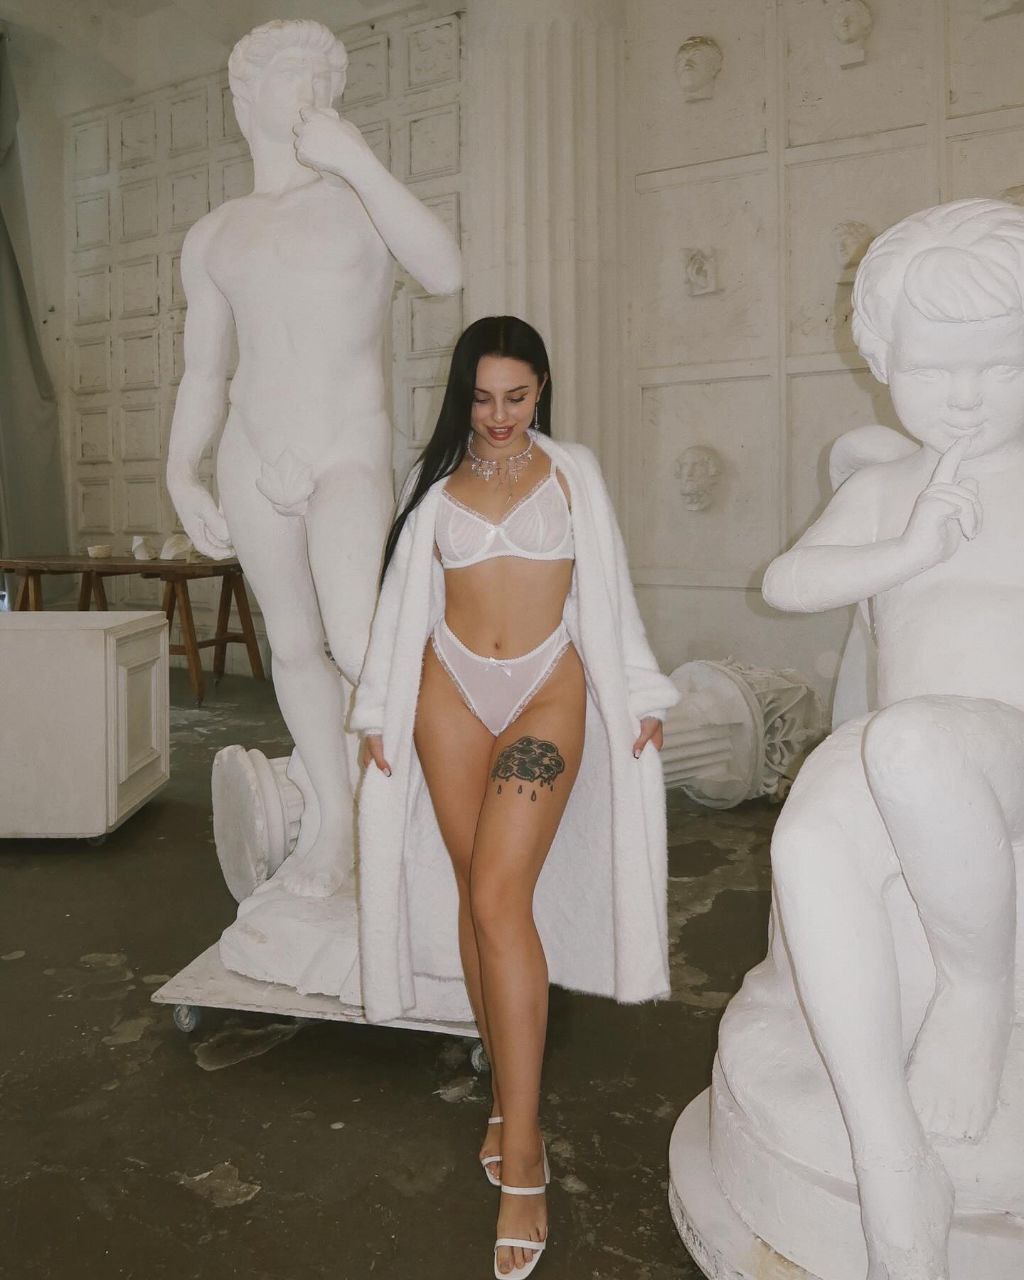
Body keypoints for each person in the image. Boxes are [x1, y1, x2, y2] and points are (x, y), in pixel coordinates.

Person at [350, 316, 678, 1279]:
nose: (499, 416)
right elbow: (401, 608)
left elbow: (609, 589)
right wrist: (377, 709)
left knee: (500, 895)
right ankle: (503, 1093)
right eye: (483, 397)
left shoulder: (573, 473)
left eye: (518, 396)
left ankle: (525, 1155)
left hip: (547, 686)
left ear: (542, 389)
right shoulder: (434, 490)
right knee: (475, 893)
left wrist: (641, 690)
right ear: (464, 394)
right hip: (447, 689)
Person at [747, 198, 1024, 1279]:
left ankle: (975, 991)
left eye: (998, 364)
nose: (964, 395)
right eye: (933, 369)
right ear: (884, 363)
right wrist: (906, 549)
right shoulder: (888, 488)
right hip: (909, 753)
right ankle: (889, 1151)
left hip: (1008, 753)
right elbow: (789, 581)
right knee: (811, 836)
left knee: (908, 746)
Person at [167, 19, 461, 899]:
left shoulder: (361, 202)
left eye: (324, 81)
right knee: (292, 646)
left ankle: (433, 810)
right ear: (244, 98)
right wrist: (181, 472)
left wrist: (360, 161)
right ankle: (336, 822)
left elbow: (445, 271)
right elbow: (204, 370)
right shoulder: (215, 234)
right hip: (253, 452)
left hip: (345, 450)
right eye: (293, 76)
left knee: (360, 641)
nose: (313, 93)